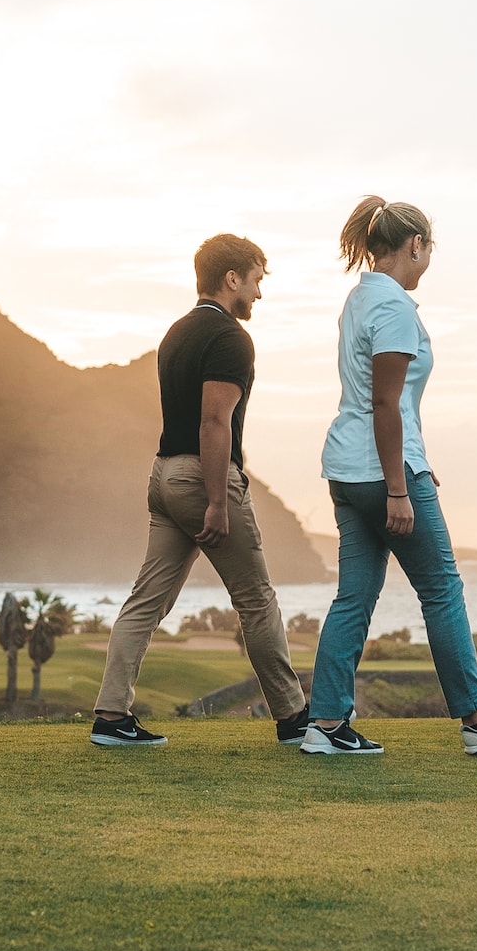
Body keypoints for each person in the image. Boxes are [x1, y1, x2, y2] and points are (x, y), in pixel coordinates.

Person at [300, 197, 477, 757]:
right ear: (415, 245)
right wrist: (397, 488)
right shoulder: (394, 308)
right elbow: (386, 405)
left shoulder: (361, 298)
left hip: (349, 468)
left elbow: (390, 404)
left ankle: (327, 724)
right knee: (441, 588)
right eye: (429, 246)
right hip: (382, 472)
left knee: (354, 597)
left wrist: (419, 467)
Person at [90, 234, 311, 748]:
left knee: (145, 601)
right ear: (232, 278)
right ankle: (294, 718)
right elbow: (214, 422)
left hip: (162, 476)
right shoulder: (231, 338)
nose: (258, 294)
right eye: (256, 280)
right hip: (201, 477)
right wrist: (216, 500)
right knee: (256, 600)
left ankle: (110, 717)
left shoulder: (175, 334)